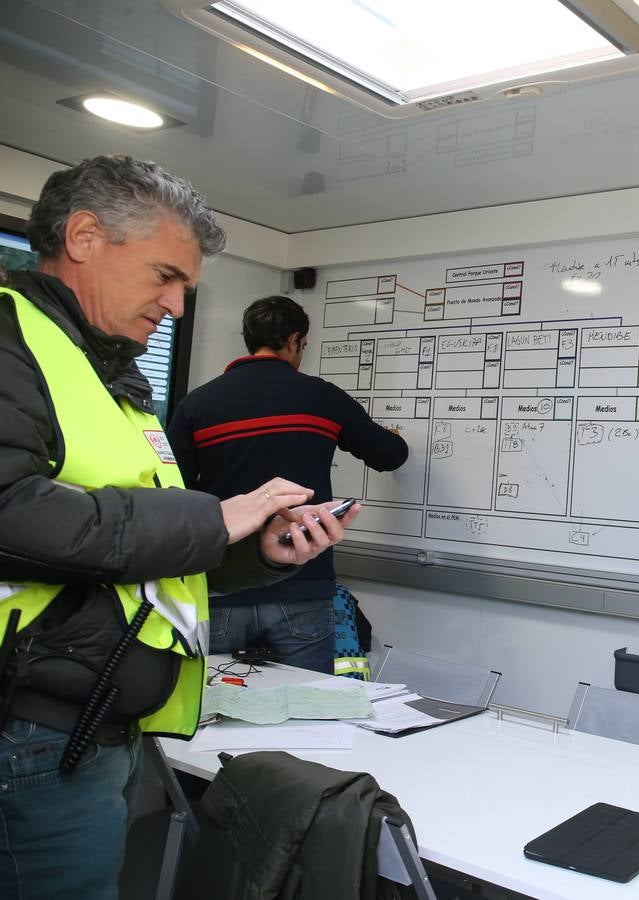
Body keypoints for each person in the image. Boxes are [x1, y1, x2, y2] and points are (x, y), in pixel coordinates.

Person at [0, 155, 358, 900]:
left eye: (185, 289)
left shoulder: (114, 377)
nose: (174, 306)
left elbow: (145, 554)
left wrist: (259, 553)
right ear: (86, 236)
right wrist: (212, 515)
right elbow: (11, 510)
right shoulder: (12, 341)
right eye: (165, 277)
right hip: (30, 727)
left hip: (100, 727)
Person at [168, 295, 407, 673]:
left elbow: (172, 492)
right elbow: (391, 455)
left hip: (221, 588)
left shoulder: (197, 404)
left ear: (249, 339)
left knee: (213, 710)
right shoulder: (321, 397)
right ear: (294, 340)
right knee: (306, 714)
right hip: (303, 585)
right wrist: (392, 434)